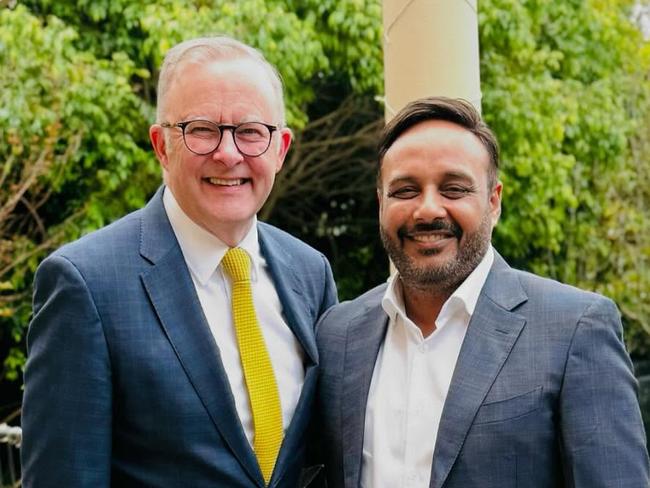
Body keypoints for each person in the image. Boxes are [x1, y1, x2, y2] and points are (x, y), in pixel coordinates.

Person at [21, 36, 337, 488]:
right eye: (202, 129)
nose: (228, 154)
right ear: (162, 146)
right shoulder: (84, 285)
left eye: (250, 132)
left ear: (281, 148)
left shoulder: (310, 272)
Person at [315, 96, 649, 487]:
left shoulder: (575, 330)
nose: (427, 210)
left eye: (453, 189)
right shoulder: (338, 336)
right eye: (405, 190)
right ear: (380, 203)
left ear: (494, 202)